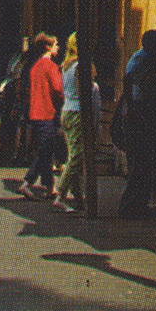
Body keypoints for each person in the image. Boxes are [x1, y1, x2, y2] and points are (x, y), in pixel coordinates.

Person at [116, 30, 156, 219]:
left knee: (140, 166)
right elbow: (141, 91)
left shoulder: (141, 58)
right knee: (141, 166)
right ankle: (132, 207)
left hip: (137, 118)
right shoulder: (146, 62)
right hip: (140, 120)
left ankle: (135, 205)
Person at [52, 32, 101, 214]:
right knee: (76, 157)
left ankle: (78, 197)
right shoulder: (81, 65)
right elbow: (85, 91)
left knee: (74, 154)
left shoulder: (66, 65)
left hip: (66, 110)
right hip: (77, 112)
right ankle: (61, 195)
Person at [18, 34, 62, 199]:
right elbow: (58, 89)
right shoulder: (50, 66)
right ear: (49, 47)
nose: (59, 48)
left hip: (35, 112)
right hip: (47, 112)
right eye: (56, 44)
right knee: (45, 150)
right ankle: (28, 182)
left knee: (46, 150)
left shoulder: (35, 66)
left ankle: (50, 187)